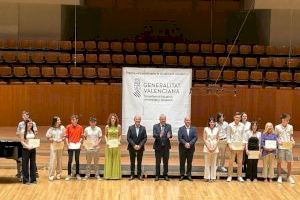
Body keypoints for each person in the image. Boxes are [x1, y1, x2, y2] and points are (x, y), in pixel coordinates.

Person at [16, 111, 38, 179]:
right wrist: (23, 136)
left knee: (33, 162)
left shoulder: (33, 123)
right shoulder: (20, 124)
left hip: (31, 144)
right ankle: (22, 174)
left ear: (28, 116)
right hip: (25, 144)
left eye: (26, 115)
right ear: (22, 116)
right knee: (24, 161)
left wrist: (35, 143)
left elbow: (36, 132)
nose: (25, 117)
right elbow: (17, 133)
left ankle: (34, 175)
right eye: (24, 116)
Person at [275, 113, 295, 184]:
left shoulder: (290, 127)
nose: (288, 121)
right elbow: (276, 136)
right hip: (281, 147)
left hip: (288, 146)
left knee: (289, 162)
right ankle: (279, 176)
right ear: (283, 119)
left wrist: (292, 140)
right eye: (287, 119)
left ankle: (289, 176)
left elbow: (291, 136)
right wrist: (278, 141)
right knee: (279, 162)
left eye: (288, 120)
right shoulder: (277, 127)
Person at [127, 115, 147, 181]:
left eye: (139, 119)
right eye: (136, 119)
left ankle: (139, 175)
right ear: (134, 120)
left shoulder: (143, 128)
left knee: (139, 162)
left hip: (140, 148)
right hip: (132, 147)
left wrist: (140, 145)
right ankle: (132, 175)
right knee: (132, 162)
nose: (138, 120)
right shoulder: (130, 128)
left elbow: (145, 138)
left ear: (140, 120)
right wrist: (134, 145)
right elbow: (128, 138)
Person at [153, 114, 172, 181]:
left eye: (164, 119)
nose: (163, 120)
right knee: (158, 162)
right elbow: (154, 135)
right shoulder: (155, 126)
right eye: (162, 119)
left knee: (165, 162)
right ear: (159, 119)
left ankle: (165, 175)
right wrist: (159, 135)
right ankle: (157, 175)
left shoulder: (169, 126)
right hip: (158, 147)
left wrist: (169, 135)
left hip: (166, 147)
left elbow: (170, 135)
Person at [227, 112, 245, 182]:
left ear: (240, 118)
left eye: (239, 117)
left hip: (240, 146)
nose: (237, 118)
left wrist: (243, 145)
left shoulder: (242, 125)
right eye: (236, 117)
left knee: (240, 162)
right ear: (234, 117)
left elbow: (244, 135)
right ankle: (229, 176)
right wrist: (229, 145)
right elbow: (228, 136)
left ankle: (239, 176)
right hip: (232, 145)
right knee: (231, 162)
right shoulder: (230, 125)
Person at [178, 117, 198, 181]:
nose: (187, 121)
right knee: (182, 162)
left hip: (191, 148)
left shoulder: (194, 129)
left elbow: (195, 137)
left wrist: (190, 143)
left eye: (188, 120)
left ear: (190, 121)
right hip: (182, 148)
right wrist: (185, 143)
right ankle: (182, 175)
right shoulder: (181, 129)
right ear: (184, 121)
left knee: (189, 162)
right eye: (186, 120)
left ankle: (189, 175)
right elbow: (180, 138)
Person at [46, 116, 65, 181]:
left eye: (59, 120)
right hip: (54, 145)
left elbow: (65, 136)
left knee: (59, 160)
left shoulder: (62, 128)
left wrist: (61, 139)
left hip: (60, 145)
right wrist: (54, 139)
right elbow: (48, 138)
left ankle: (58, 174)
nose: (60, 121)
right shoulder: (51, 129)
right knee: (53, 160)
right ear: (55, 121)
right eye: (58, 120)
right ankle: (51, 175)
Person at [65, 114, 84, 181]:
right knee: (70, 160)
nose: (73, 121)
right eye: (72, 120)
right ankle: (69, 174)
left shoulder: (80, 127)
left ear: (77, 120)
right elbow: (66, 137)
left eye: (74, 119)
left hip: (77, 146)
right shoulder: (68, 127)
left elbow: (82, 137)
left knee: (77, 160)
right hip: (70, 145)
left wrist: (79, 142)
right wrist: (67, 144)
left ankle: (77, 174)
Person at [104, 113, 122, 180]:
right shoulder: (107, 127)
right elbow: (105, 135)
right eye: (112, 118)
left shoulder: (119, 126)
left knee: (115, 159)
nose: (113, 119)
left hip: (116, 145)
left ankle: (115, 176)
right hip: (109, 145)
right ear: (110, 119)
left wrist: (119, 141)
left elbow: (120, 135)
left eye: (114, 118)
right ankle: (108, 175)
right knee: (109, 159)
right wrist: (106, 142)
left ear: (116, 119)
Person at [20, 120, 37, 184]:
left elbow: (33, 140)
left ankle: (33, 179)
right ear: (26, 124)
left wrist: (36, 144)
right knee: (25, 164)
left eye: (31, 123)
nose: (30, 124)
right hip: (26, 149)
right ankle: (26, 180)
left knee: (33, 164)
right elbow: (22, 141)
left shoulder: (32, 131)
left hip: (32, 149)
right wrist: (27, 146)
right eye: (29, 123)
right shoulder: (23, 131)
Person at [203, 117, 219, 182]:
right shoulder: (206, 129)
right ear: (209, 122)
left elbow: (218, 139)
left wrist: (215, 147)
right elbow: (204, 139)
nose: (212, 123)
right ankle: (207, 177)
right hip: (207, 147)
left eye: (213, 122)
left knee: (213, 163)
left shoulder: (217, 129)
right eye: (211, 122)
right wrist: (208, 147)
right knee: (207, 163)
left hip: (215, 147)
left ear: (215, 123)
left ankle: (213, 177)